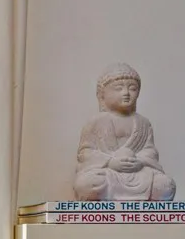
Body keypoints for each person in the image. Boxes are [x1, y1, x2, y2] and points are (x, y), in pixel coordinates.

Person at [73, 62, 175, 201]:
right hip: (108, 173)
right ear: (102, 95)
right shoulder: (95, 122)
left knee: (165, 185)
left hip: (138, 174)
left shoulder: (143, 123)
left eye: (132, 88)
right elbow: (85, 153)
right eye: (118, 88)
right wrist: (110, 162)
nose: (126, 93)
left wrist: (139, 162)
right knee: (87, 185)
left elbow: (150, 151)